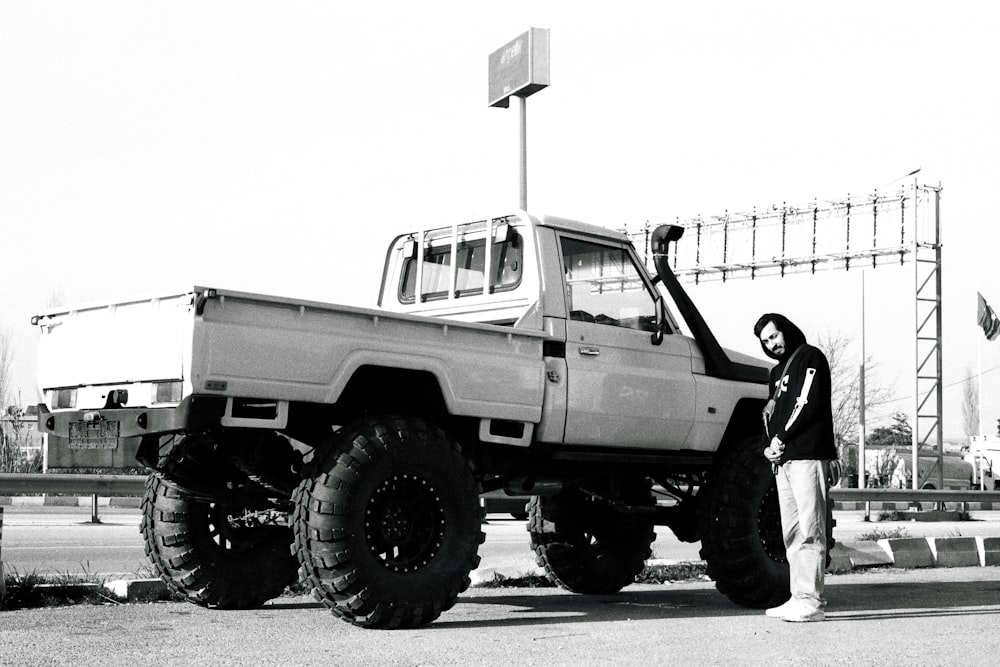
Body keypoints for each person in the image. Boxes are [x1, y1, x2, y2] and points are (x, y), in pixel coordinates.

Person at [754, 313, 836, 623]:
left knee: (810, 530)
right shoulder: (776, 373)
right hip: (783, 460)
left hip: (806, 456)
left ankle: (812, 601)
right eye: (765, 342)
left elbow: (807, 401)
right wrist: (768, 445)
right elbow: (771, 413)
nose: (771, 344)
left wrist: (781, 438)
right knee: (791, 533)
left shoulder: (809, 356)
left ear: (785, 330)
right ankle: (797, 596)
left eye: (774, 336)